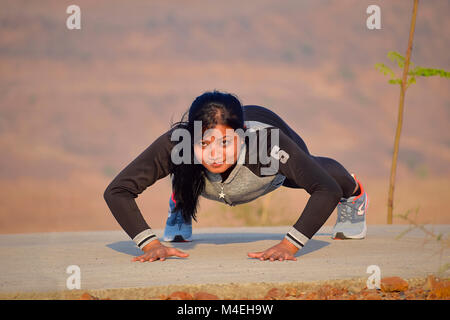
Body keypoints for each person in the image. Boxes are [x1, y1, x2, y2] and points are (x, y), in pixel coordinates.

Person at [103, 90, 369, 263]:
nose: (215, 155)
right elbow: (117, 191)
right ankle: (181, 205)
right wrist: (150, 245)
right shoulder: (177, 144)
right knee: (185, 166)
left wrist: (289, 245)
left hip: (268, 154)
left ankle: (356, 197)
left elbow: (326, 189)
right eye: (204, 143)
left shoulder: (268, 145)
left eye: (225, 143)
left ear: (241, 136)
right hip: (205, 176)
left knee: (315, 173)